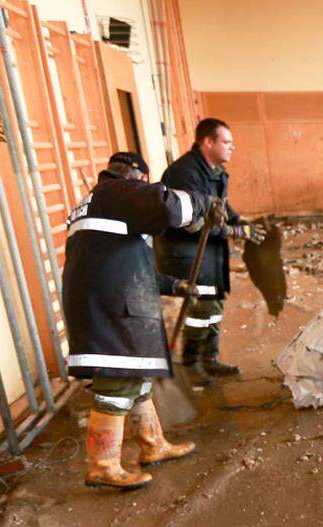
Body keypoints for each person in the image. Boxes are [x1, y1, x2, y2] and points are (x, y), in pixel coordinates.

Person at [63, 152, 223, 488]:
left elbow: (130, 265)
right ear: (137, 176)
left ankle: (152, 444)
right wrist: (203, 202)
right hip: (110, 306)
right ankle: (104, 465)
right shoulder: (115, 192)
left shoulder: (102, 203)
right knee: (116, 382)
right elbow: (168, 205)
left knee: (136, 380)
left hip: (109, 299)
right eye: (146, 183)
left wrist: (175, 285)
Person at [155, 118, 264, 383]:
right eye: (226, 142)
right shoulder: (185, 174)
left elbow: (220, 208)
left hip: (209, 252)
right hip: (187, 252)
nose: (232, 147)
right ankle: (191, 363)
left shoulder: (214, 172)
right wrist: (235, 232)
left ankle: (209, 358)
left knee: (213, 304)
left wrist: (240, 222)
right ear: (208, 142)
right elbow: (195, 223)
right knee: (202, 307)